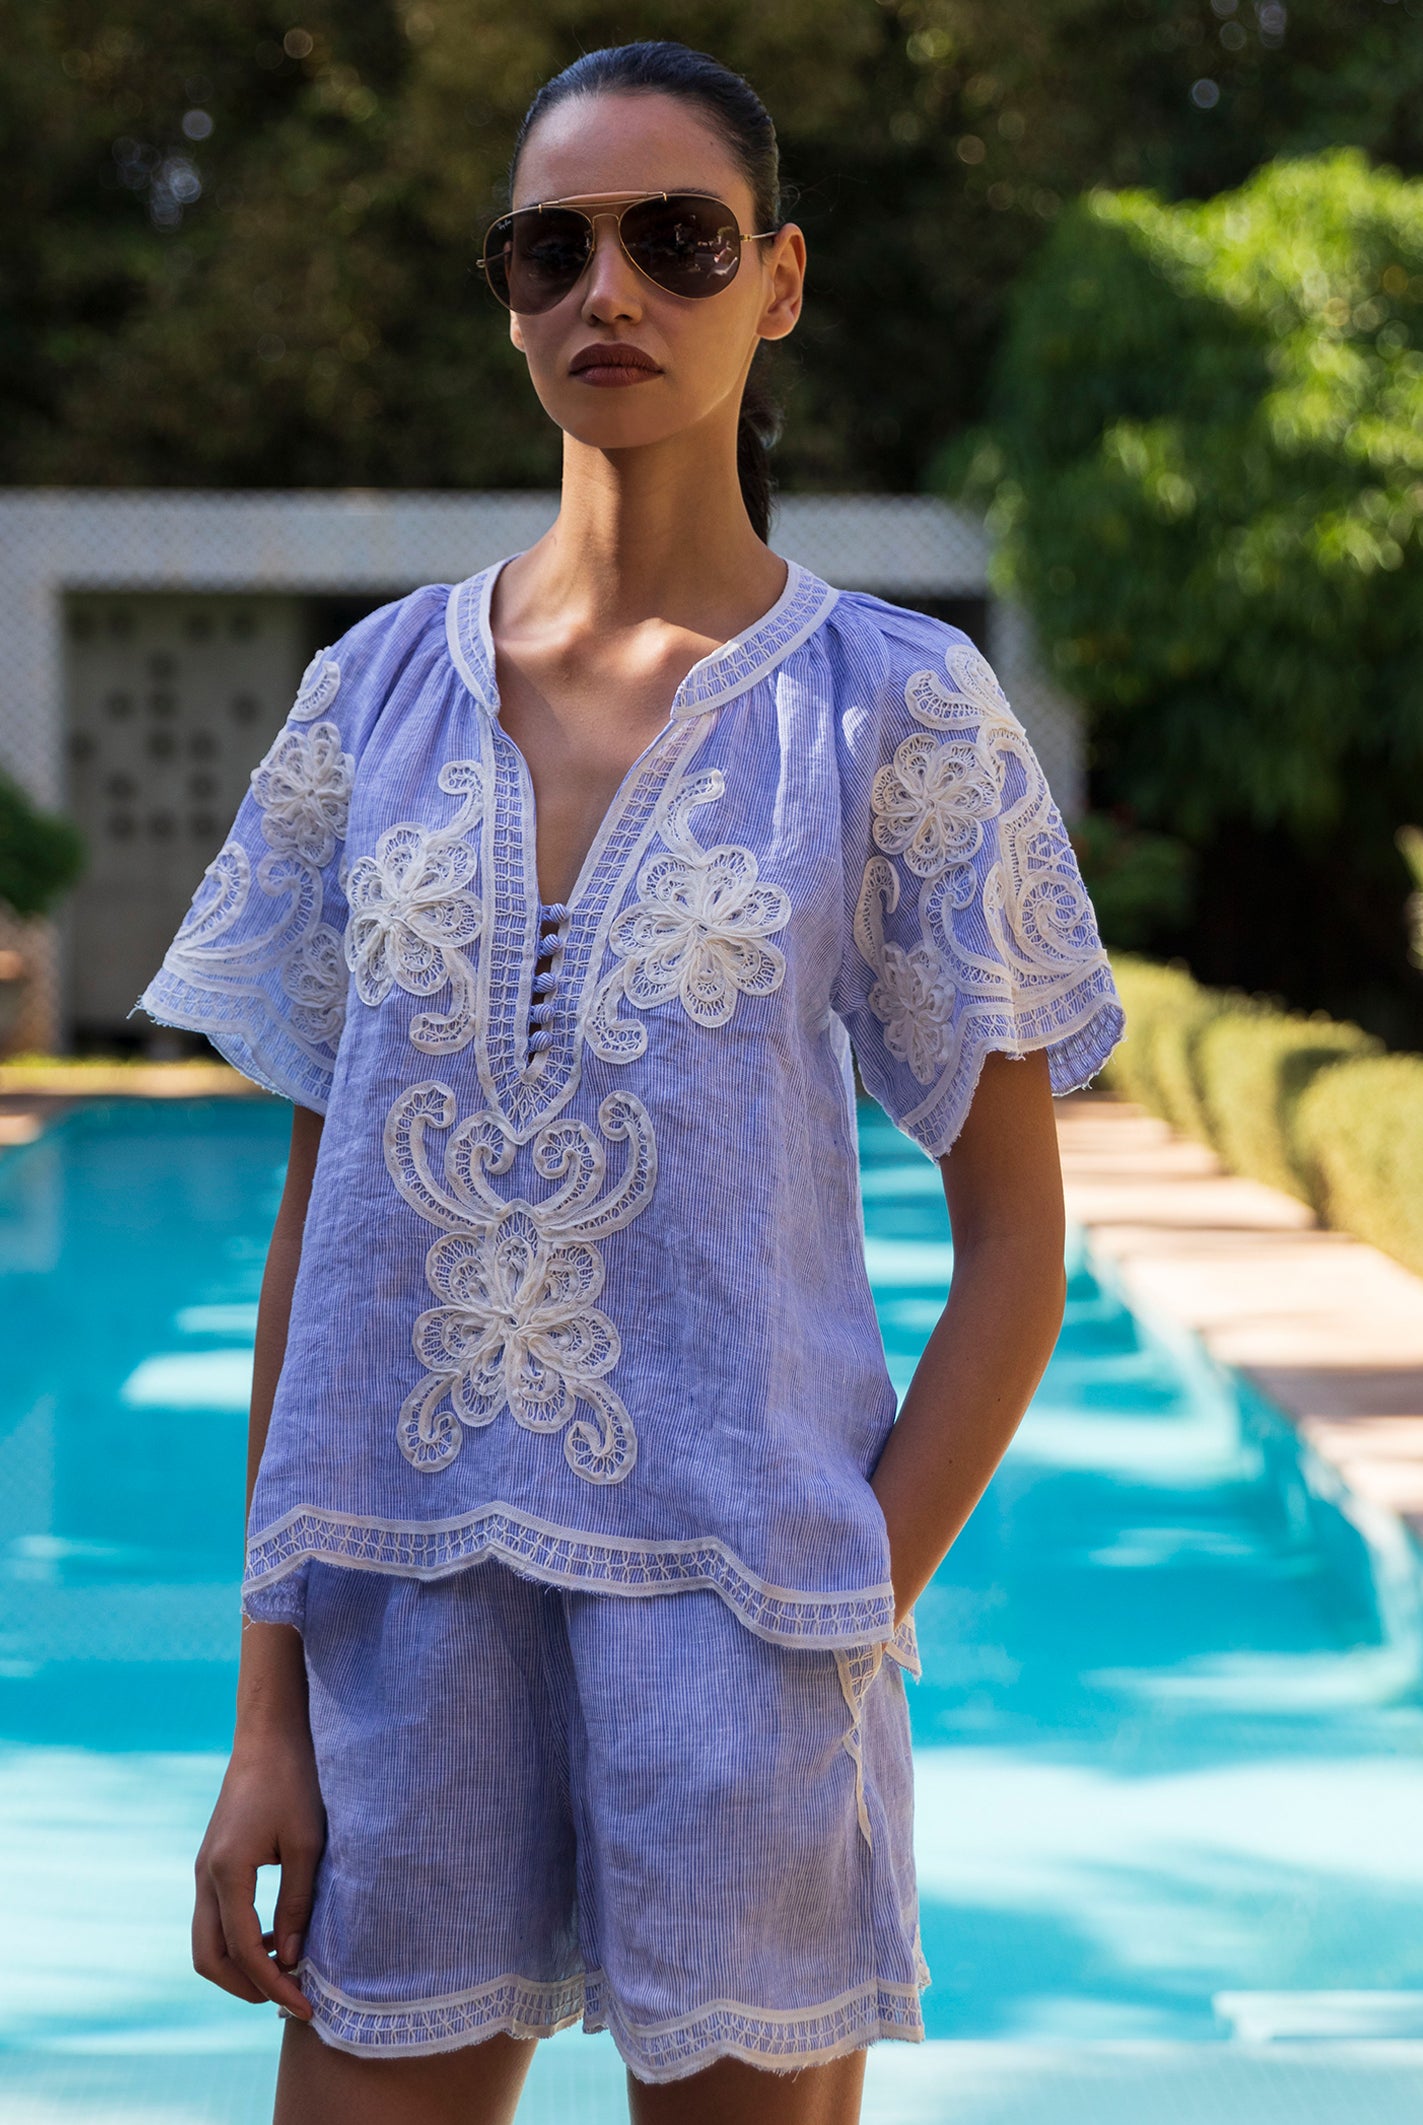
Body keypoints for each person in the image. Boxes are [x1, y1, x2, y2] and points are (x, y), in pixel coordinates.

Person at [138, 39, 1124, 2125]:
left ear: (775, 282)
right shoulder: (371, 701)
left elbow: (1020, 1238)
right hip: (398, 1638)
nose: (611, 293)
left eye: (674, 240)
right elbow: (319, 1237)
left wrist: (848, 1605)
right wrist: (265, 1713)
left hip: (744, 1638)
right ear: (505, 290)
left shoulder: (893, 713)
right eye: (550, 246)